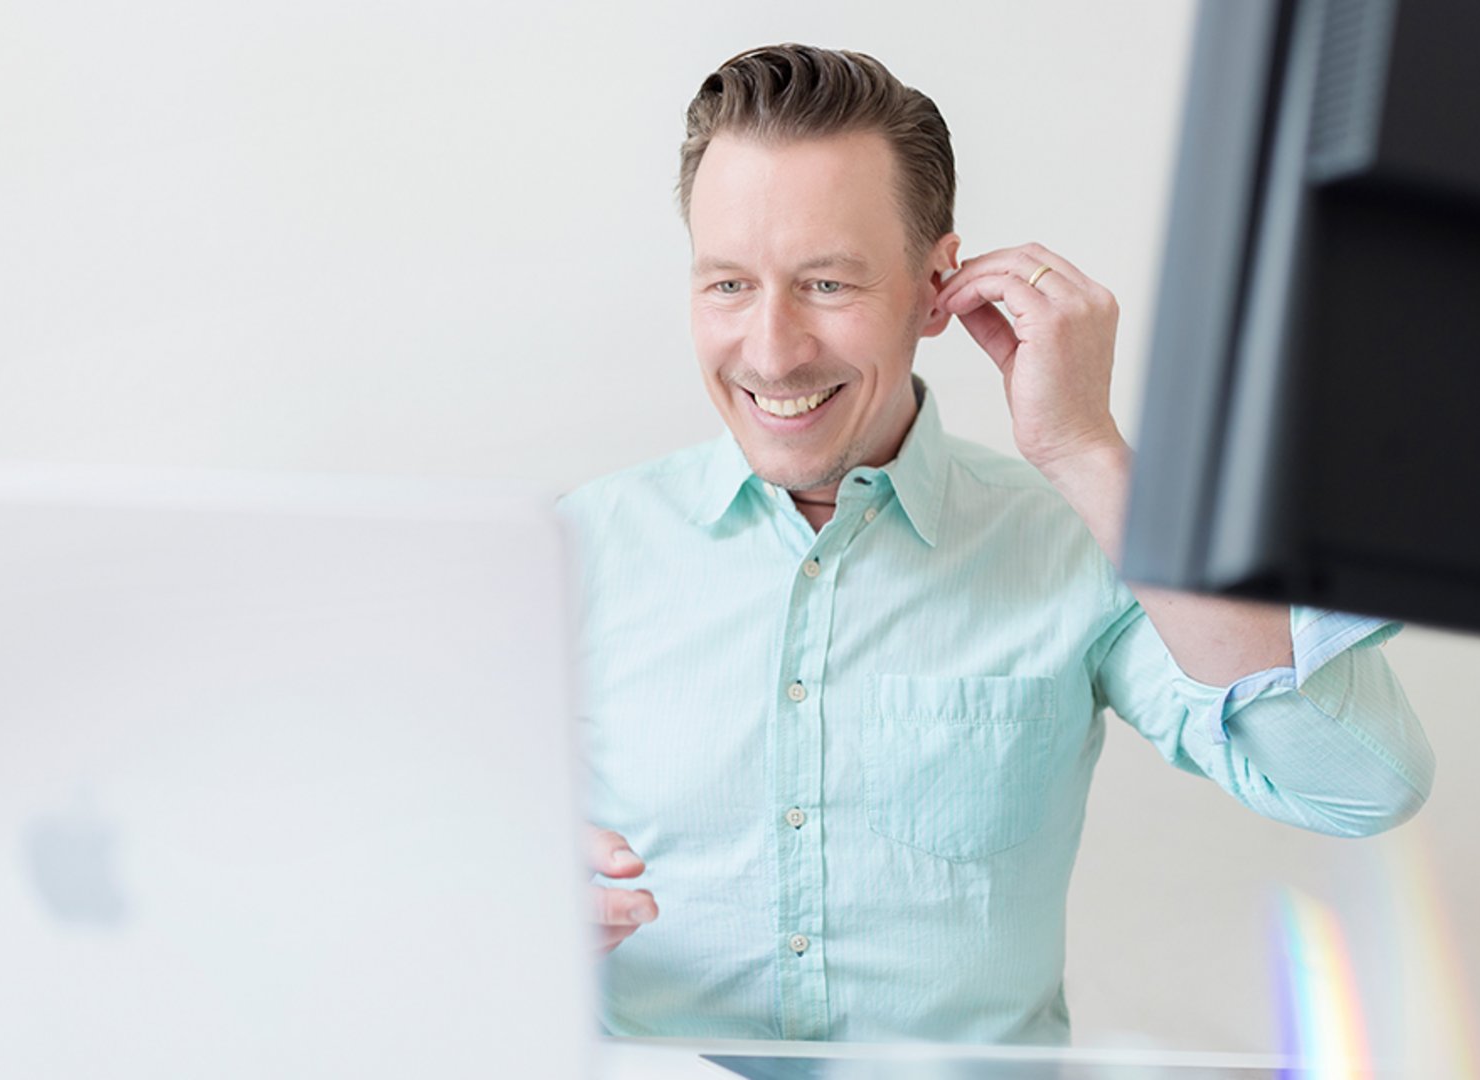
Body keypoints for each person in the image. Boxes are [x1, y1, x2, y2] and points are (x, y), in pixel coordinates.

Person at [558, 43, 1434, 1044]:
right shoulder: (569, 550)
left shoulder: (1077, 541)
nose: (770, 350)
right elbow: (396, 858)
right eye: (727, 286)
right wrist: (493, 898)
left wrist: (1087, 451)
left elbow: (1357, 783)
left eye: (827, 285)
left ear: (938, 285)